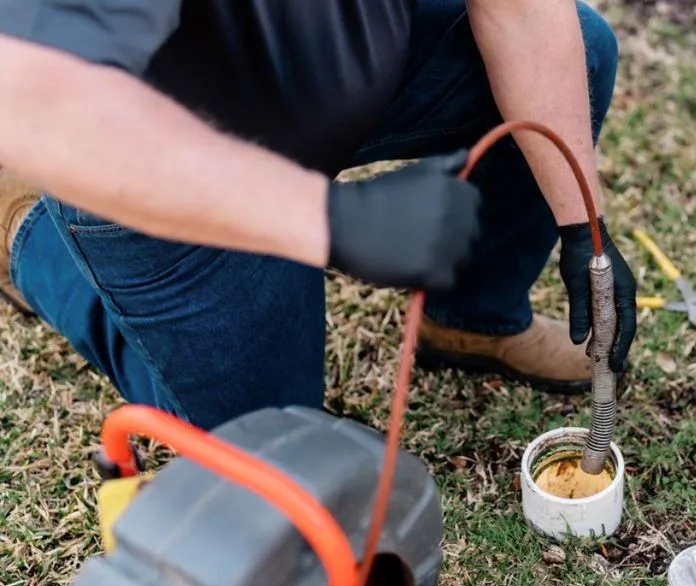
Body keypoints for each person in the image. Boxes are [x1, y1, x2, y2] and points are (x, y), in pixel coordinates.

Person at [0, 0, 638, 431]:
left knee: (582, 51)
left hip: (328, 76)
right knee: (283, 453)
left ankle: (473, 320)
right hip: (159, 158)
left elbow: (521, 12)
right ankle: (29, 236)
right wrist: (329, 219)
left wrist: (583, 227)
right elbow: (43, 105)